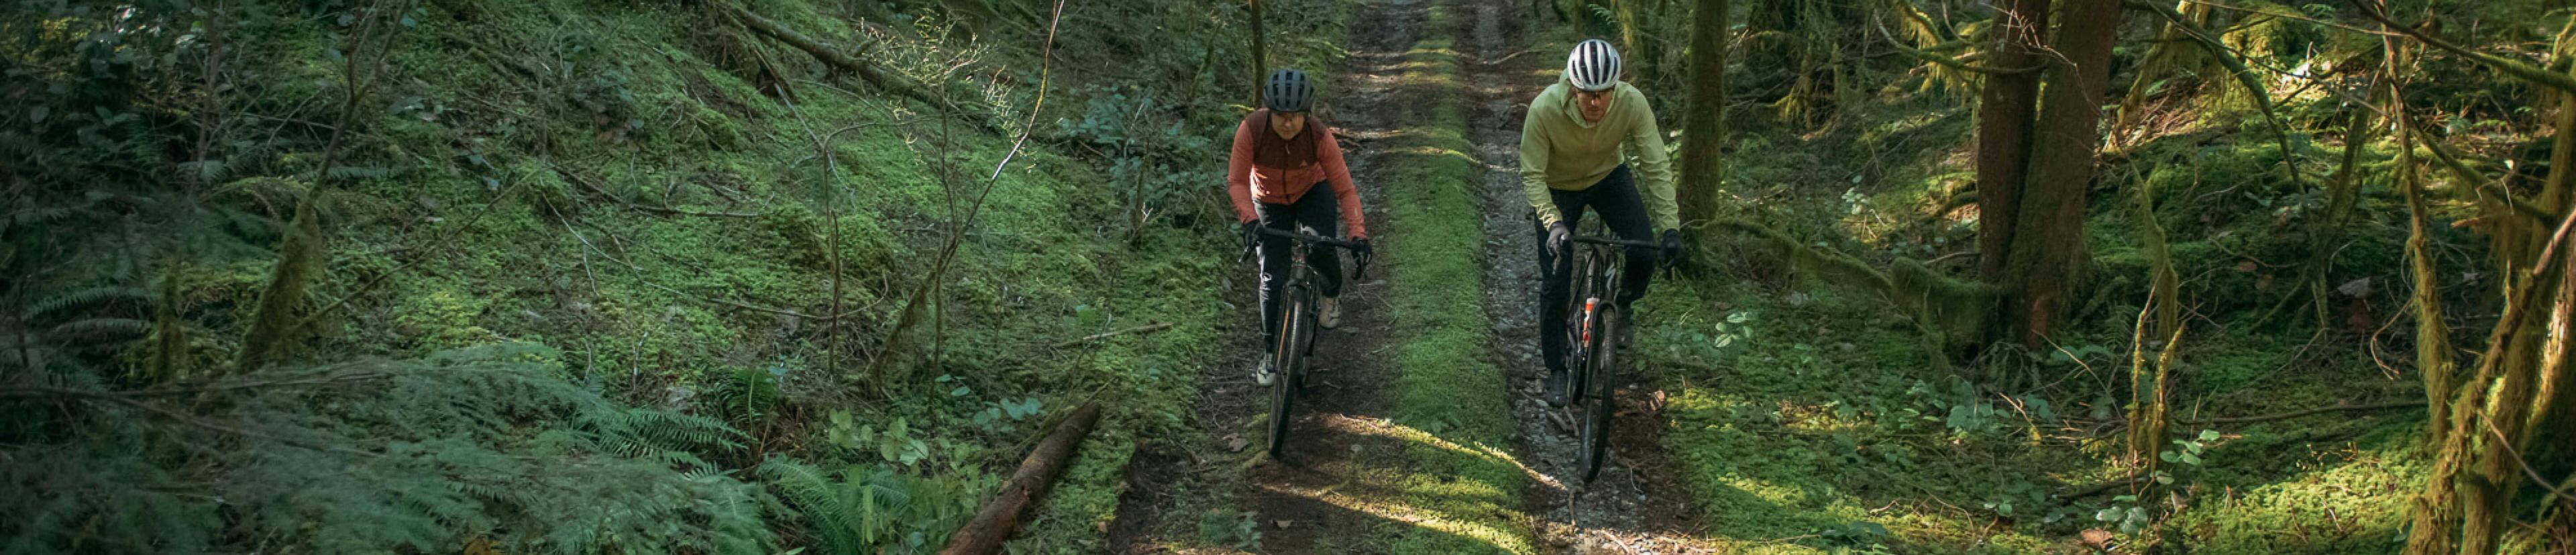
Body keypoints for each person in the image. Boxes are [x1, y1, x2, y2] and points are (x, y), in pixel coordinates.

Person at [1520, 39, 1682, 407]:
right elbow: (1532, 175)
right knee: (1556, 281)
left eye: (1604, 93)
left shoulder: (1632, 103)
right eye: (1588, 94)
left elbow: (1656, 165)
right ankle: (1557, 370)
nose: (1596, 103)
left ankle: (1622, 306)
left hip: (1609, 176)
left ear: (1616, 87)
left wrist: (1671, 228)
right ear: (1573, 87)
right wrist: (1554, 223)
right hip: (1558, 187)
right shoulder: (1544, 109)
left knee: (1643, 249)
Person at [1229, 68, 1373, 387]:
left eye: (1296, 116)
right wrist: (1249, 219)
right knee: (1272, 275)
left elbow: (1346, 190)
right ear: (1270, 112)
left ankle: (1331, 295)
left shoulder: (1319, 136)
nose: (1288, 123)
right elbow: (1237, 181)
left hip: (1312, 193)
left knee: (1320, 245)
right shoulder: (1251, 130)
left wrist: (1358, 234)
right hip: (1268, 201)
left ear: (1307, 114)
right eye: (1281, 115)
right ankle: (1269, 354)